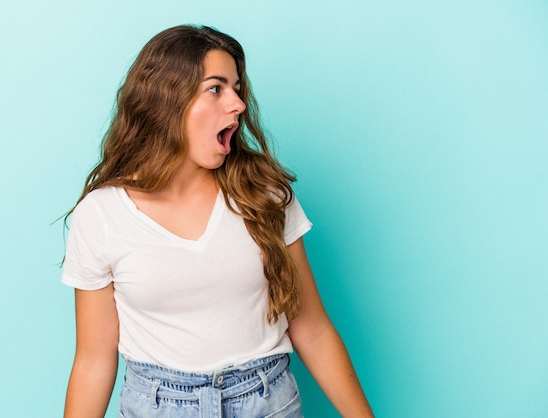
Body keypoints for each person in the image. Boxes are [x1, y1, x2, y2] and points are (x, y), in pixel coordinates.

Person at [61, 24, 373, 418]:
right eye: (216, 88)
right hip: (158, 405)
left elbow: (311, 328)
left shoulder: (265, 196)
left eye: (237, 88)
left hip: (266, 402)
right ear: (167, 100)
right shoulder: (102, 214)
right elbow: (93, 360)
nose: (238, 104)